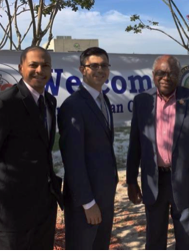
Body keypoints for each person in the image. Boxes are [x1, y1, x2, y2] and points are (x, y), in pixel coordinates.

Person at [0, 46, 63, 250]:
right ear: (20, 68)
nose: (40, 70)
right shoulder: (4, 103)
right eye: (33, 65)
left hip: (43, 208)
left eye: (45, 65)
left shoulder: (50, 102)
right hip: (11, 212)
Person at [127, 55, 189, 250]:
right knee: (155, 239)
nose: (166, 77)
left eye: (171, 73)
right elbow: (135, 145)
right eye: (161, 73)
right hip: (154, 182)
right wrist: (131, 181)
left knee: (188, 240)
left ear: (179, 75)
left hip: (187, 183)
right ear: (153, 76)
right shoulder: (142, 102)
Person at [58, 47, 118, 250]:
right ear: (82, 69)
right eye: (94, 65)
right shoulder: (73, 105)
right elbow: (72, 159)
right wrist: (88, 203)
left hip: (105, 196)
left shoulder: (104, 100)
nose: (100, 70)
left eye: (104, 65)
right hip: (86, 202)